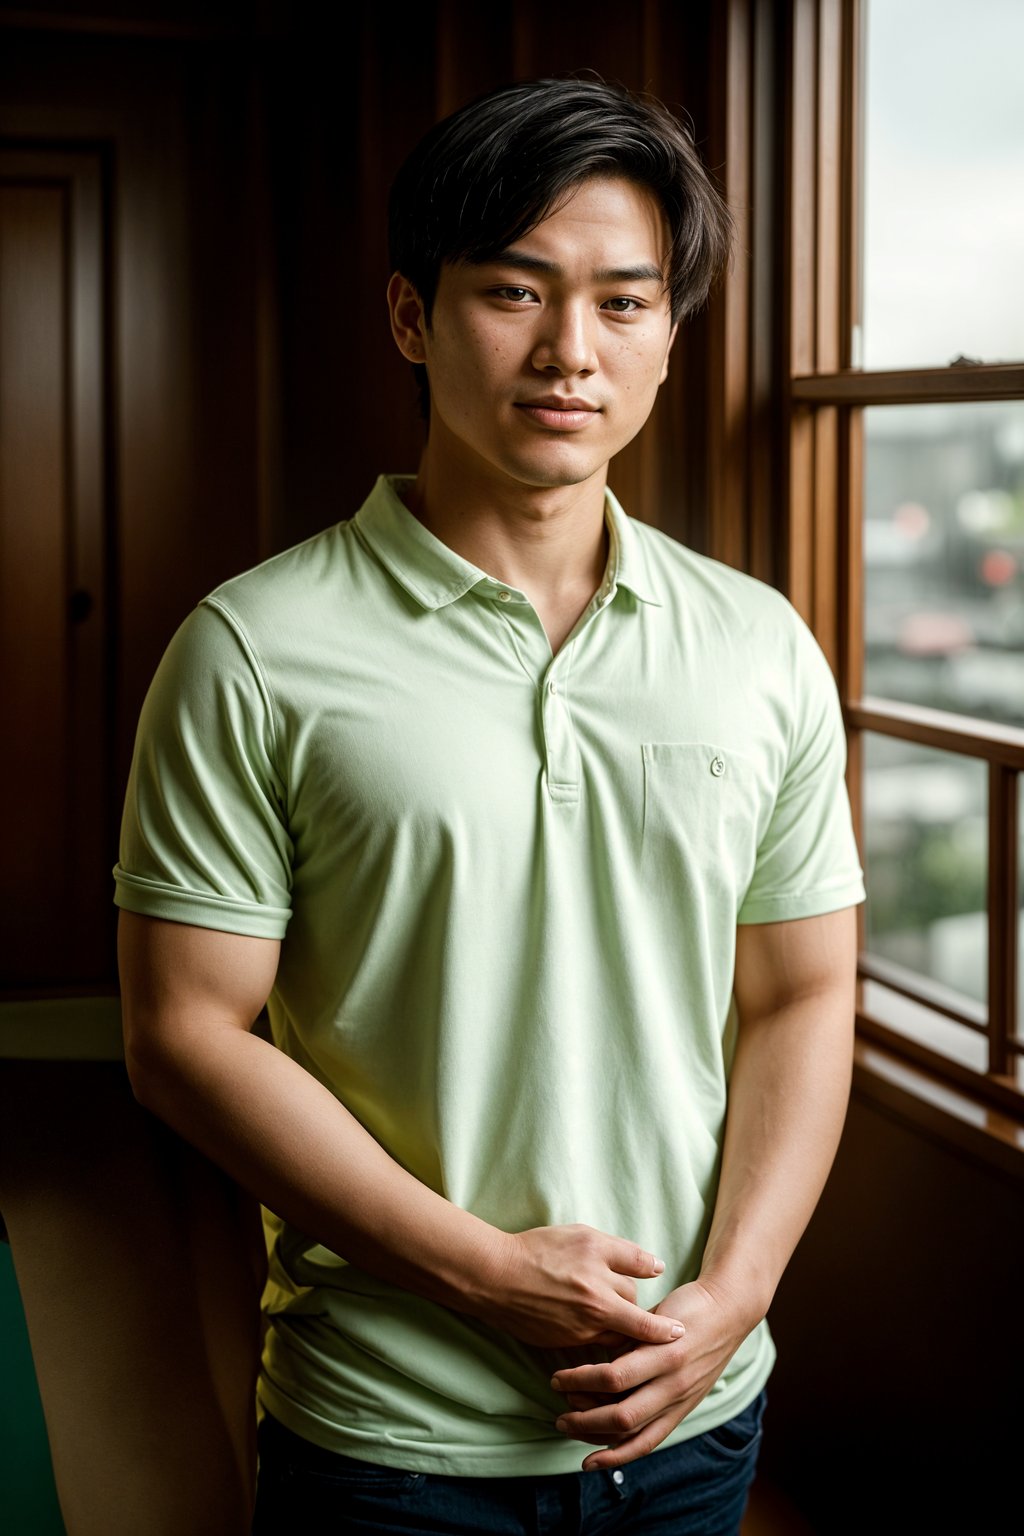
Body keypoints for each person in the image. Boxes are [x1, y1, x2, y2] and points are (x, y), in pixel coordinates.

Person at [115, 74, 865, 1536]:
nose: (570, 351)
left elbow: (801, 992)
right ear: (413, 318)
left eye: (624, 304)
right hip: (388, 1433)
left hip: (690, 1408)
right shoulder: (255, 648)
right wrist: (481, 1272)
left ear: (665, 336)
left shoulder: (760, 643)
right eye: (514, 292)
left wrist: (735, 1298)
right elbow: (183, 1033)